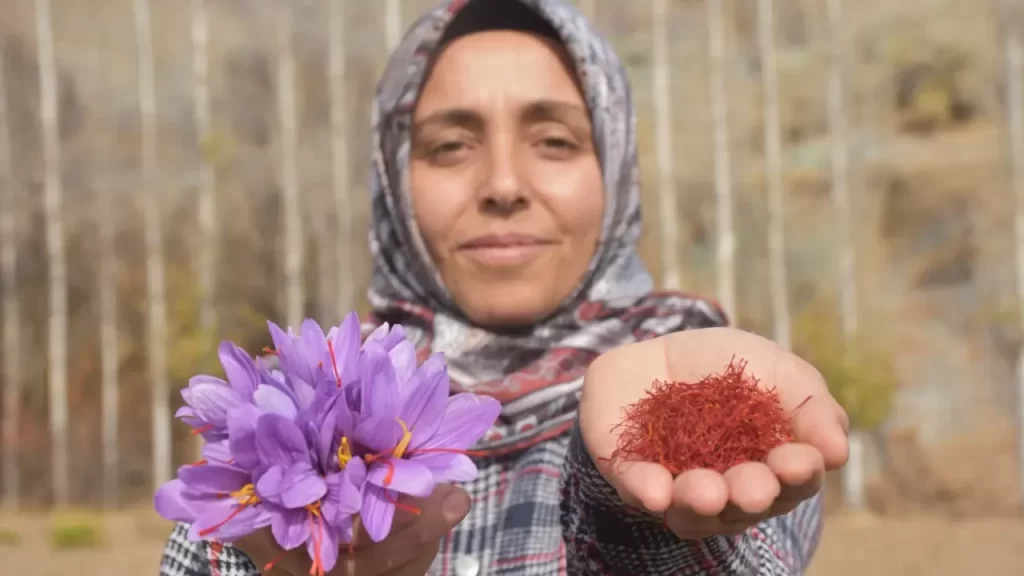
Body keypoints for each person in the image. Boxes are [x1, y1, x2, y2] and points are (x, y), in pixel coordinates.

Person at [159, 0, 849, 574]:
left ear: (615, 169)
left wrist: (636, 512)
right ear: (394, 185)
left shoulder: (698, 370)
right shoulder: (284, 407)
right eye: (450, 146)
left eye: (554, 141)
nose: (504, 186)